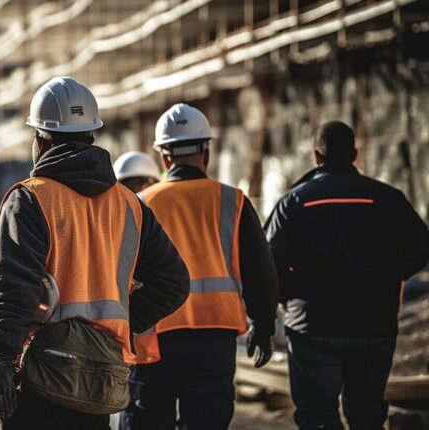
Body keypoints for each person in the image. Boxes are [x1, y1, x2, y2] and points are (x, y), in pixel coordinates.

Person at [0, 76, 190, 430]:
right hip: (100, 381)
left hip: (42, 378)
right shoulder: (128, 205)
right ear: (91, 136)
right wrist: (116, 325)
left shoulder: (30, 199)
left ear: (40, 140)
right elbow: (174, 282)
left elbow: (16, 289)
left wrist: (1, 357)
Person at [122, 103, 279, 430]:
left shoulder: (140, 204)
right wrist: (263, 325)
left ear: (164, 158)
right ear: (206, 152)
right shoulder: (232, 200)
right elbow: (260, 270)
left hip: (155, 337)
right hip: (214, 338)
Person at [265, 120, 429, 430]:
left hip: (312, 326)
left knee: (317, 416)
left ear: (316, 156)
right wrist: (387, 277)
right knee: (367, 414)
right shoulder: (388, 198)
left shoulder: (294, 202)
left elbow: (268, 263)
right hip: (374, 323)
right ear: (355, 153)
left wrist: (288, 296)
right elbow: (421, 249)